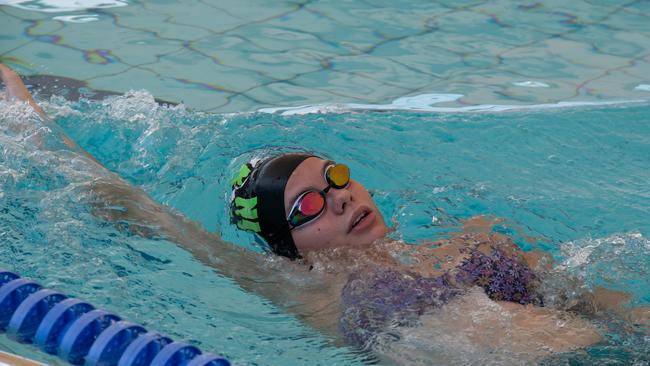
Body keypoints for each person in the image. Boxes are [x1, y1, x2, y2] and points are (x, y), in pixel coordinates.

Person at [1, 64, 643, 363]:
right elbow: (142, 212)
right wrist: (30, 122)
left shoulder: (451, 242)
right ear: (290, 244)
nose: (340, 196)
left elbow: (590, 301)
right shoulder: (301, 283)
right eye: (309, 204)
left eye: (336, 179)